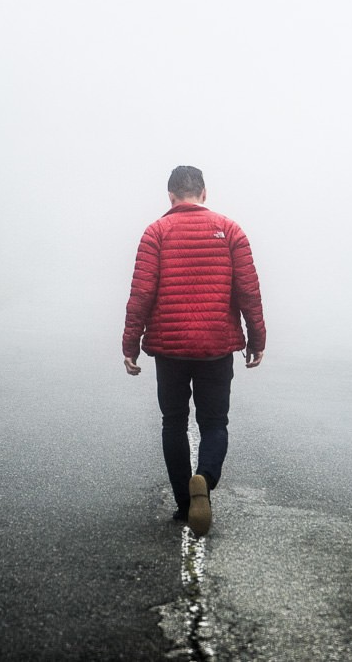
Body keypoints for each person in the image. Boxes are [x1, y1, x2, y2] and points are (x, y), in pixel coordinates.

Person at [122, 165, 266, 536]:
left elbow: (141, 294)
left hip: (169, 350)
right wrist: (256, 340)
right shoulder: (231, 230)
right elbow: (248, 291)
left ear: (170, 197)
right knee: (214, 422)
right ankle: (205, 477)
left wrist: (130, 345)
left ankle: (185, 505)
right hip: (216, 347)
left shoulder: (157, 231)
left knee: (173, 421)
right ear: (204, 193)